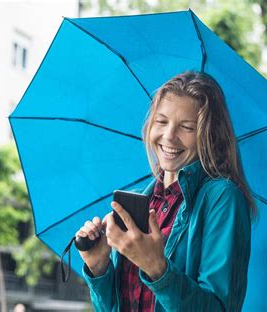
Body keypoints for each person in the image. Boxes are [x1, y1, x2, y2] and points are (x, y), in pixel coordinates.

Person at [76, 71, 255, 311]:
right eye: (161, 122)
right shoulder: (140, 202)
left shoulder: (222, 198)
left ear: (209, 135)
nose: (169, 136)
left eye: (187, 127)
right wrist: (99, 269)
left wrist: (157, 269)